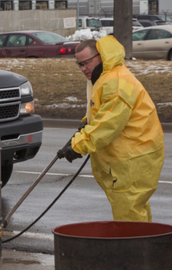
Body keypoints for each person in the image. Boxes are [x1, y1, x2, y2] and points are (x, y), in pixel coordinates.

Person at [57, 36, 164, 222]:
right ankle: (145, 247)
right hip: (130, 156)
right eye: (79, 65)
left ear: (101, 56)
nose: (83, 69)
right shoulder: (105, 77)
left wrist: (78, 146)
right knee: (135, 209)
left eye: (86, 63)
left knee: (128, 213)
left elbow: (108, 124)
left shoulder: (116, 82)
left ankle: (132, 249)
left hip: (133, 157)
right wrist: (87, 121)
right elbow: (103, 111)